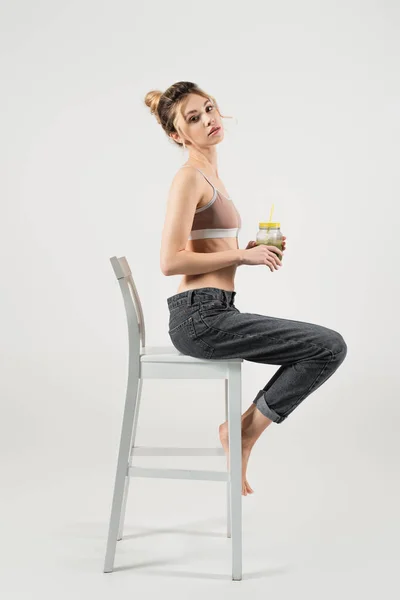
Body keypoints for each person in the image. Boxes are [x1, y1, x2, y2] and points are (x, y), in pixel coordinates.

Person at [144, 81, 347, 496]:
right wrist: (240, 257)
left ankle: (240, 432)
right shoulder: (188, 178)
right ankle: (241, 433)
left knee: (325, 347)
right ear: (176, 134)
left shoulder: (209, 174)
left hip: (215, 309)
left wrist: (248, 249)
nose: (209, 120)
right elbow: (170, 260)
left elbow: (206, 246)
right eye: (194, 118)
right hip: (199, 317)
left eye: (209, 108)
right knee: (327, 347)